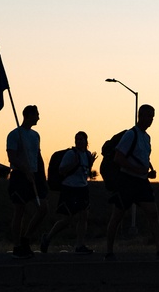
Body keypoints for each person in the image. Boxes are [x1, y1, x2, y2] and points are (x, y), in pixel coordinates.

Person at [104, 104, 159, 261]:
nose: (150, 120)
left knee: (153, 213)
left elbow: (143, 158)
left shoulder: (146, 137)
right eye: (148, 116)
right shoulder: (131, 135)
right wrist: (136, 170)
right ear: (140, 116)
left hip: (141, 183)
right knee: (117, 216)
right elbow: (118, 157)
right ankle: (109, 252)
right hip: (127, 181)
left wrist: (147, 172)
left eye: (152, 117)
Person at [41, 131, 97, 254]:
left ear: (86, 141)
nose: (79, 141)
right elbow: (62, 170)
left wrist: (90, 164)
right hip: (69, 188)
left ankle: (80, 245)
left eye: (81, 139)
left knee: (84, 216)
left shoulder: (87, 155)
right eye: (77, 139)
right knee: (67, 219)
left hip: (82, 188)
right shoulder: (70, 154)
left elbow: (85, 173)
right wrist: (74, 164)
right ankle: (47, 237)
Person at [6, 105, 49, 259]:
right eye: (37, 114)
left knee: (43, 208)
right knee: (20, 211)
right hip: (19, 176)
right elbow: (12, 157)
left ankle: (26, 239)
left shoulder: (36, 135)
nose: (38, 117)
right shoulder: (14, 134)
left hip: (35, 176)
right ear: (29, 115)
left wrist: (42, 177)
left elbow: (38, 155)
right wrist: (25, 170)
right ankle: (17, 246)